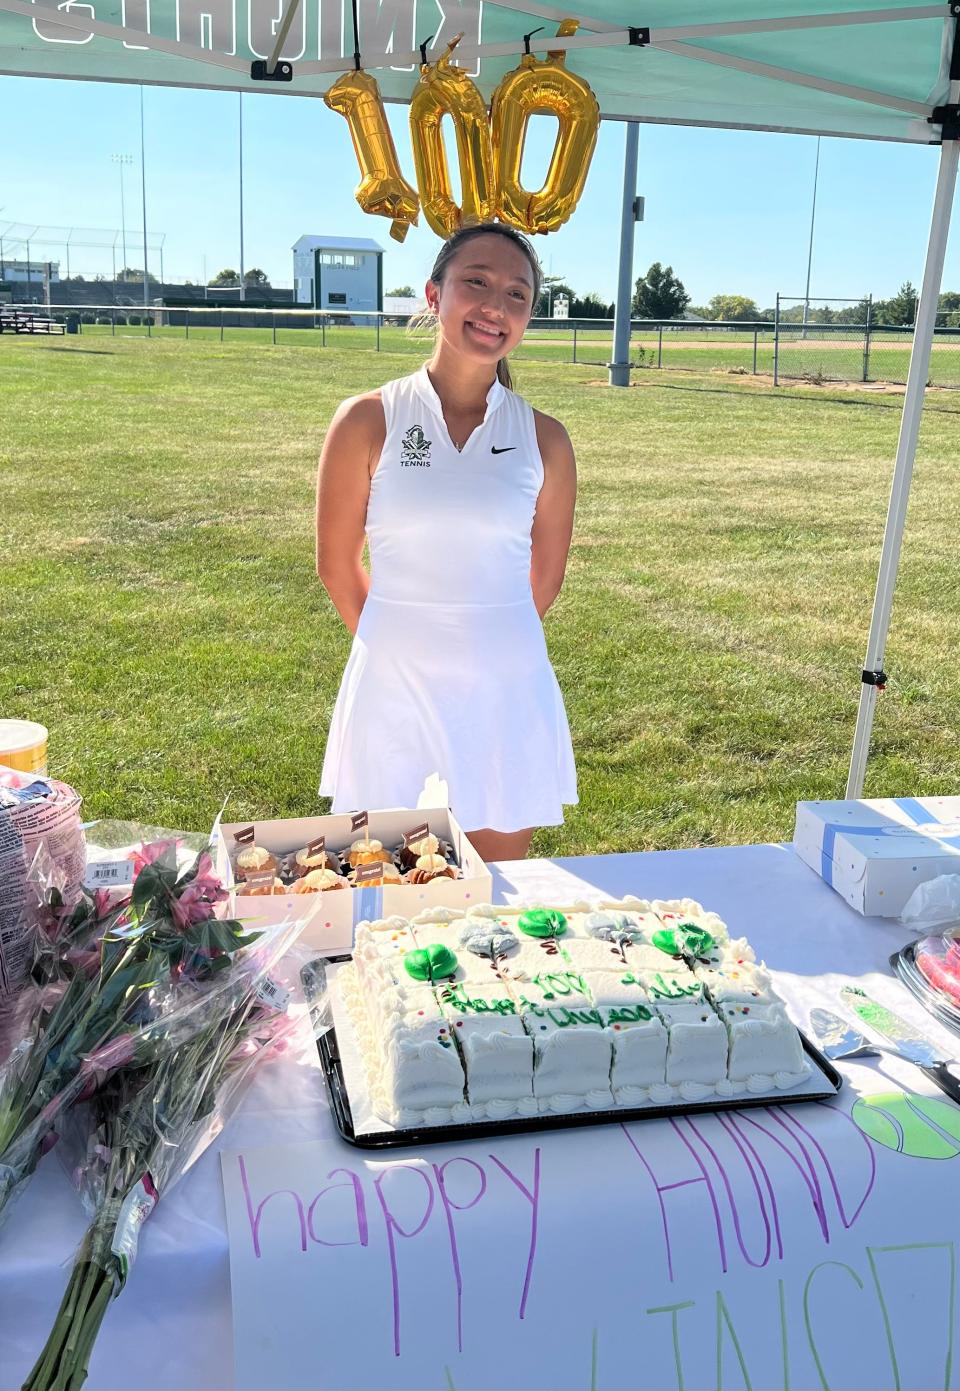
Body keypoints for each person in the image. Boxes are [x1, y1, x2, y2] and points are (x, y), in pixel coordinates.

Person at [316, 222, 577, 862]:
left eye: (518, 295)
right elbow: (336, 566)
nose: (495, 307)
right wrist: (404, 634)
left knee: (494, 893)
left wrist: (480, 636)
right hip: (393, 684)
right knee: (386, 887)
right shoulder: (367, 419)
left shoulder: (546, 440)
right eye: (477, 283)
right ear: (434, 295)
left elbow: (543, 581)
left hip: (504, 687)